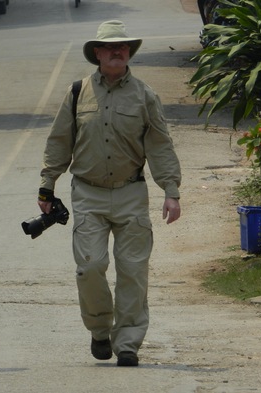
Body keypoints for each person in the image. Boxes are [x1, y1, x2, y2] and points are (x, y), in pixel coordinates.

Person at [37, 20, 181, 367]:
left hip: (131, 192)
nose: (118, 51)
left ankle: (128, 342)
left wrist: (171, 190)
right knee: (90, 266)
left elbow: (160, 145)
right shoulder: (77, 92)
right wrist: (47, 183)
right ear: (97, 53)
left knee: (133, 270)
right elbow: (59, 141)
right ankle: (100, 329)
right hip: (88, 193)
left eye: (123, 46)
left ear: (129, 52)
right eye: (110, 47)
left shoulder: (145, 95)